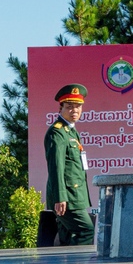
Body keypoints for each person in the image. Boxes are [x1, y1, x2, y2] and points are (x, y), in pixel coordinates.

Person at [45, 83, 95, 245]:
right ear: (61, 109)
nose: (75, 110)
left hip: (74, 196)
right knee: (86, 231)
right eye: (70, 107)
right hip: (66, 198)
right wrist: (60, 197)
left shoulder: (71, 131)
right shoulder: (57, 132)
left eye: (78, 106)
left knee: (67, 238)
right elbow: (56, 167)